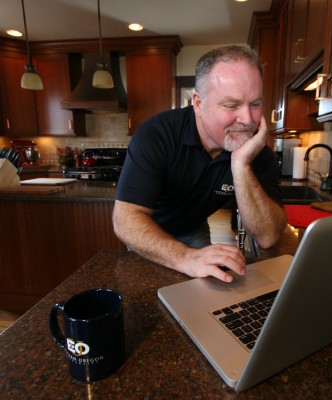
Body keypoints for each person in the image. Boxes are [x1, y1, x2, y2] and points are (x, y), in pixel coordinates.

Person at [113, 45, 287, 282]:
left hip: (194, 227)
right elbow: (125, 220)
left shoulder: (256, 151)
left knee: (201, 293)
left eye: (255, 104)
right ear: (198, 103)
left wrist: (241, 165)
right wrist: (186, 258)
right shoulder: (157, 134)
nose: (248, 120)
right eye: (231, 105)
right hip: (149, 231)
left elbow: (268, 237)